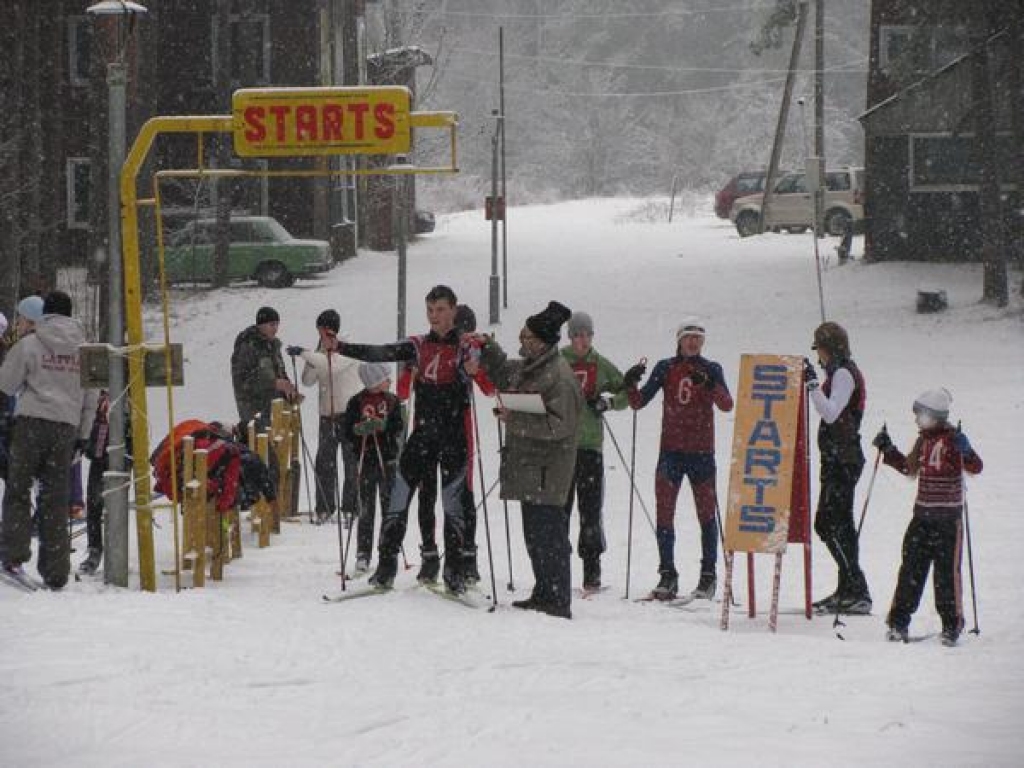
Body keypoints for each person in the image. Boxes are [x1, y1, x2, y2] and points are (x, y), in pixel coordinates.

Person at [339, 285, 475, 594]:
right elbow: (380, 351)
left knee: (452, 504)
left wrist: (473, 370)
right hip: (423, 435)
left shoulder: (466, 346)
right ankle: (386, 568)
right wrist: (342, 348)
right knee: (399, 496)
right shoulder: (417, 344)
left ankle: (455, 572)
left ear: (453, 310)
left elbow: (486, 376)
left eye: (440, 310)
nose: (434, 316)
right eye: (430, 310)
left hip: (453, 437)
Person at [477, 300, 582, 619]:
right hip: (531, 468)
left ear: (542, 342)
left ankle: (557, 597)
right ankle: (543, 590)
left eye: (526, 338)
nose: (521, 343)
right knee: (535, 534)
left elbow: (560, 425)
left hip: (548, 471)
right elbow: (507, 372)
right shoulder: (534, 364)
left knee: (550, 536)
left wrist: (514, 419)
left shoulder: (558, 376)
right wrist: (488, 348)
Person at [625, 318, 733, 601]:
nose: (693, 342)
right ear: (679, 340)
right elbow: (638, 402)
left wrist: (708, 383)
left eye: (698, 338)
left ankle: (708, 576)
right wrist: (630, 383)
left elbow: (726, 404)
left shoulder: (711, 368)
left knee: (706, 515)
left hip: (701, 452)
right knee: (665, 512)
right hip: (671, 451)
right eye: (689, 337)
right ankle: (667, 575)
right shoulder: (666, 367)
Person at [0, 291, 97, 589]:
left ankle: (13, 556)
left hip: (30, 423)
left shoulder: (30, 343)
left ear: (45, 314)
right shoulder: (86, 351)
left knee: (18, 488)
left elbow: (6, 383)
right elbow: (91, 397)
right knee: (55, 498)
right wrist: (83, 435)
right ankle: (55, 571)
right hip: (65, 428)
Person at [872, 389, 983, 646]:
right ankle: (899, 623)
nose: (916, 420)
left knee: (946, 575)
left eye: (920, 415)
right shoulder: (924, 440)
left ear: (935, 416)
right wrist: (888, 450)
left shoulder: (954, 440)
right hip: (922, 517)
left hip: (948, 521)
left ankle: (951, 626)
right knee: (911, 569)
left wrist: (966, 452)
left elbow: (976, 466)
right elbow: (909, 468)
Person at [403, 303, 495, 584]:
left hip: (459, 431)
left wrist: (476, 369)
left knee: (462, 495)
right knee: (426, 492)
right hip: (425, 429)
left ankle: (466, 556)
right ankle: (430, 555)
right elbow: (401, 390)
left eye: (465, 332)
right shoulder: (428, 348)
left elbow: (490, 389)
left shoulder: (471, 349)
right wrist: (411, 371)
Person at [803, 320, 871, 614]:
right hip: (836, 459)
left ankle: (856, 587)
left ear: (827, 349)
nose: (818, 357)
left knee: (827, 524)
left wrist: (812, 386)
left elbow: (831, 413)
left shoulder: (844, 374)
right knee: (840, 525)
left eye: (819, 350)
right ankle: (847, 588)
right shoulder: (839, 372)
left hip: (843, 460)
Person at [559, 311, 628, 590]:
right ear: (570, 336)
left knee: (590, 511)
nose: (582, 340)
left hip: (589, 447)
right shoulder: (559, 360)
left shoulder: (599, 363)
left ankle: (592, 571)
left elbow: (627, 393)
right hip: (561, 447)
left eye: (587, 334)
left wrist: (607, 404)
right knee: (560, 510)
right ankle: (558, 568)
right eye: (577, 334)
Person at [288, 310, 362, 525]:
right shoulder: (320, 353)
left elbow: (334, 367)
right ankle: (324, 507)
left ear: (331, 329)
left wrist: (305, 353)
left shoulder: (347, 346)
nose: (320, 333)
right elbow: (308, 380)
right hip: (327, 416)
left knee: (351, 463)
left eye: (322, 329)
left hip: (348, 414)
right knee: (325, 463)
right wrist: (313, 356)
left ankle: (351, 507)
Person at [343, 362, 403, 574]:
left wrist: (384, 426)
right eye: (386, 378)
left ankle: (388, 550)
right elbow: (346, 430)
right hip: (366, 461)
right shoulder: (356, 401)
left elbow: (398, 426)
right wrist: (358, 430)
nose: (390, 381)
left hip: (387, 461)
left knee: (389, 508)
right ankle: (363, 554)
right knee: (366, 509)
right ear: (376, 381)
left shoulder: (393, 401)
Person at [230, 306, 297, 429]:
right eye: (272, 325)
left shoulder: (273, 346)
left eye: (277, 324)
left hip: (274, 410)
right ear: (261, 325)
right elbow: (243, 382)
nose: (275, 328)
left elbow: (280, 373)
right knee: (260, 447)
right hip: (254, 412)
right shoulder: (247, 346)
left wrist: (288, 387)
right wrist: (273, 383)